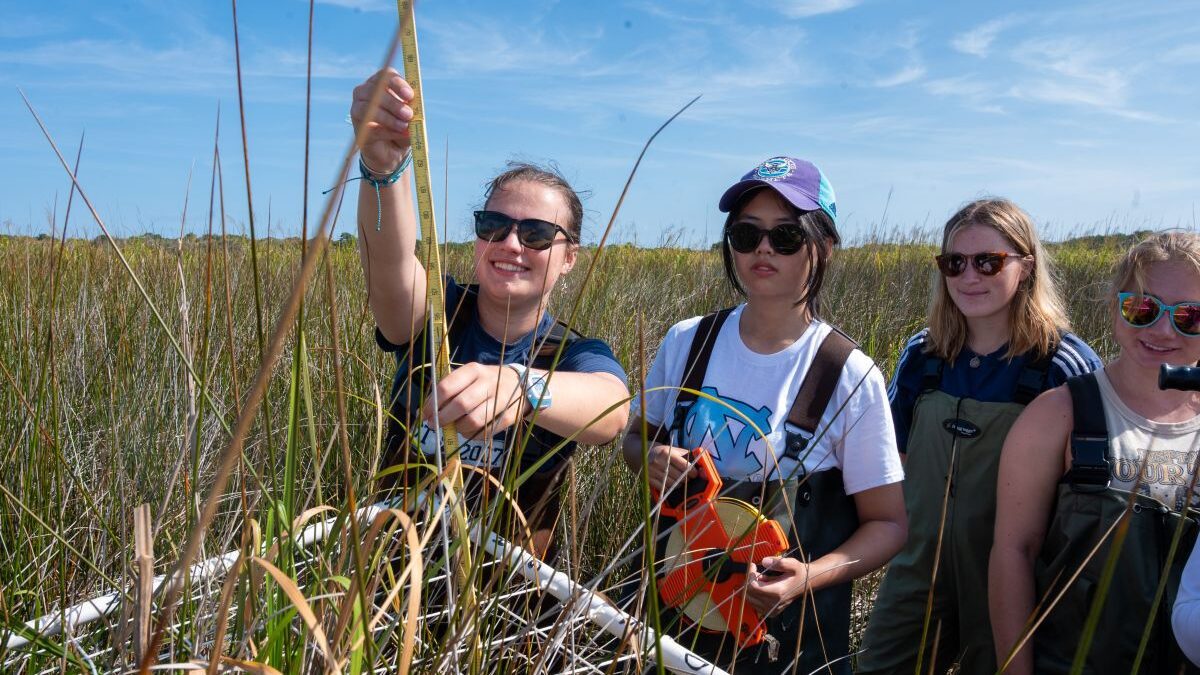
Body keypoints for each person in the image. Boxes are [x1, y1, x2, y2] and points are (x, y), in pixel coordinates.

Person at [623, 156, 907, 674]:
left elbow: (887, 524)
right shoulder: (689, 340)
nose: (762, 249)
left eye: (786, 236)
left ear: (823, 245)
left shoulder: (848, 373)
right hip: (672, 615)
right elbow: (634, 440)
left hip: (786, 642)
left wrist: (808, 576)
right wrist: (652, 457)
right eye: (746, 233)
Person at [350, 68, 630, 559]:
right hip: (397, 583)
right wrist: (382, 167)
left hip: (507, 601)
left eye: (538, 234)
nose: (511, 244)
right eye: (494, 225)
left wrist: (522, 387)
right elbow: (390, 263)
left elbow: (611, 411)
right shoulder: (437, 316)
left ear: (568, 258)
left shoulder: (573, 353)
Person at [859, 198, 1102, 674]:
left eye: (989, 262)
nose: (970, 277)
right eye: (955, 262)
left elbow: (1087, 506)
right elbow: (894, 461)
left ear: (1026, 267)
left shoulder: (1062, 366)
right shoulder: (922, 355)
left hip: (1014, 582)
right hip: (916, 570)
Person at [990, 231, 1200, 674]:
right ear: (1114, 307)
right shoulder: (1057, 415)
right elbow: (1014, 553)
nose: (1162, 330)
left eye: (1190, 317)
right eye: (1141, 308)